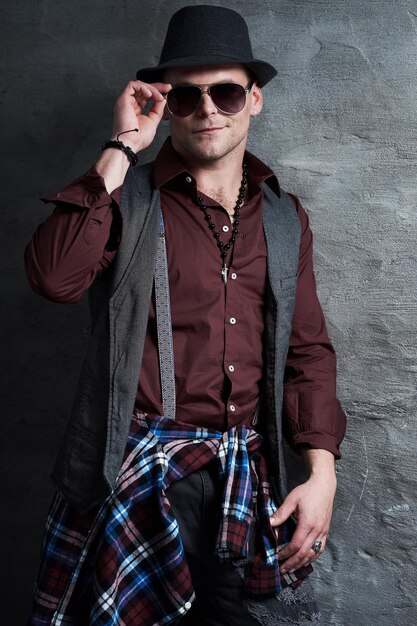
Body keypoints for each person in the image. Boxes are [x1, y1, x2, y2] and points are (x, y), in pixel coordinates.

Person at [25, 5, 346, 626]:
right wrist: (121, 148)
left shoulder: (283, 216)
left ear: (254, 100)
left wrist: (322, 474)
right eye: (187, 96)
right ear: (166, 105)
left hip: (240, 477)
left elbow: (307, 350)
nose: (206, 110)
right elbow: (54, 277)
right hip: (139, 475)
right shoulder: (125, 198)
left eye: (225, 93)